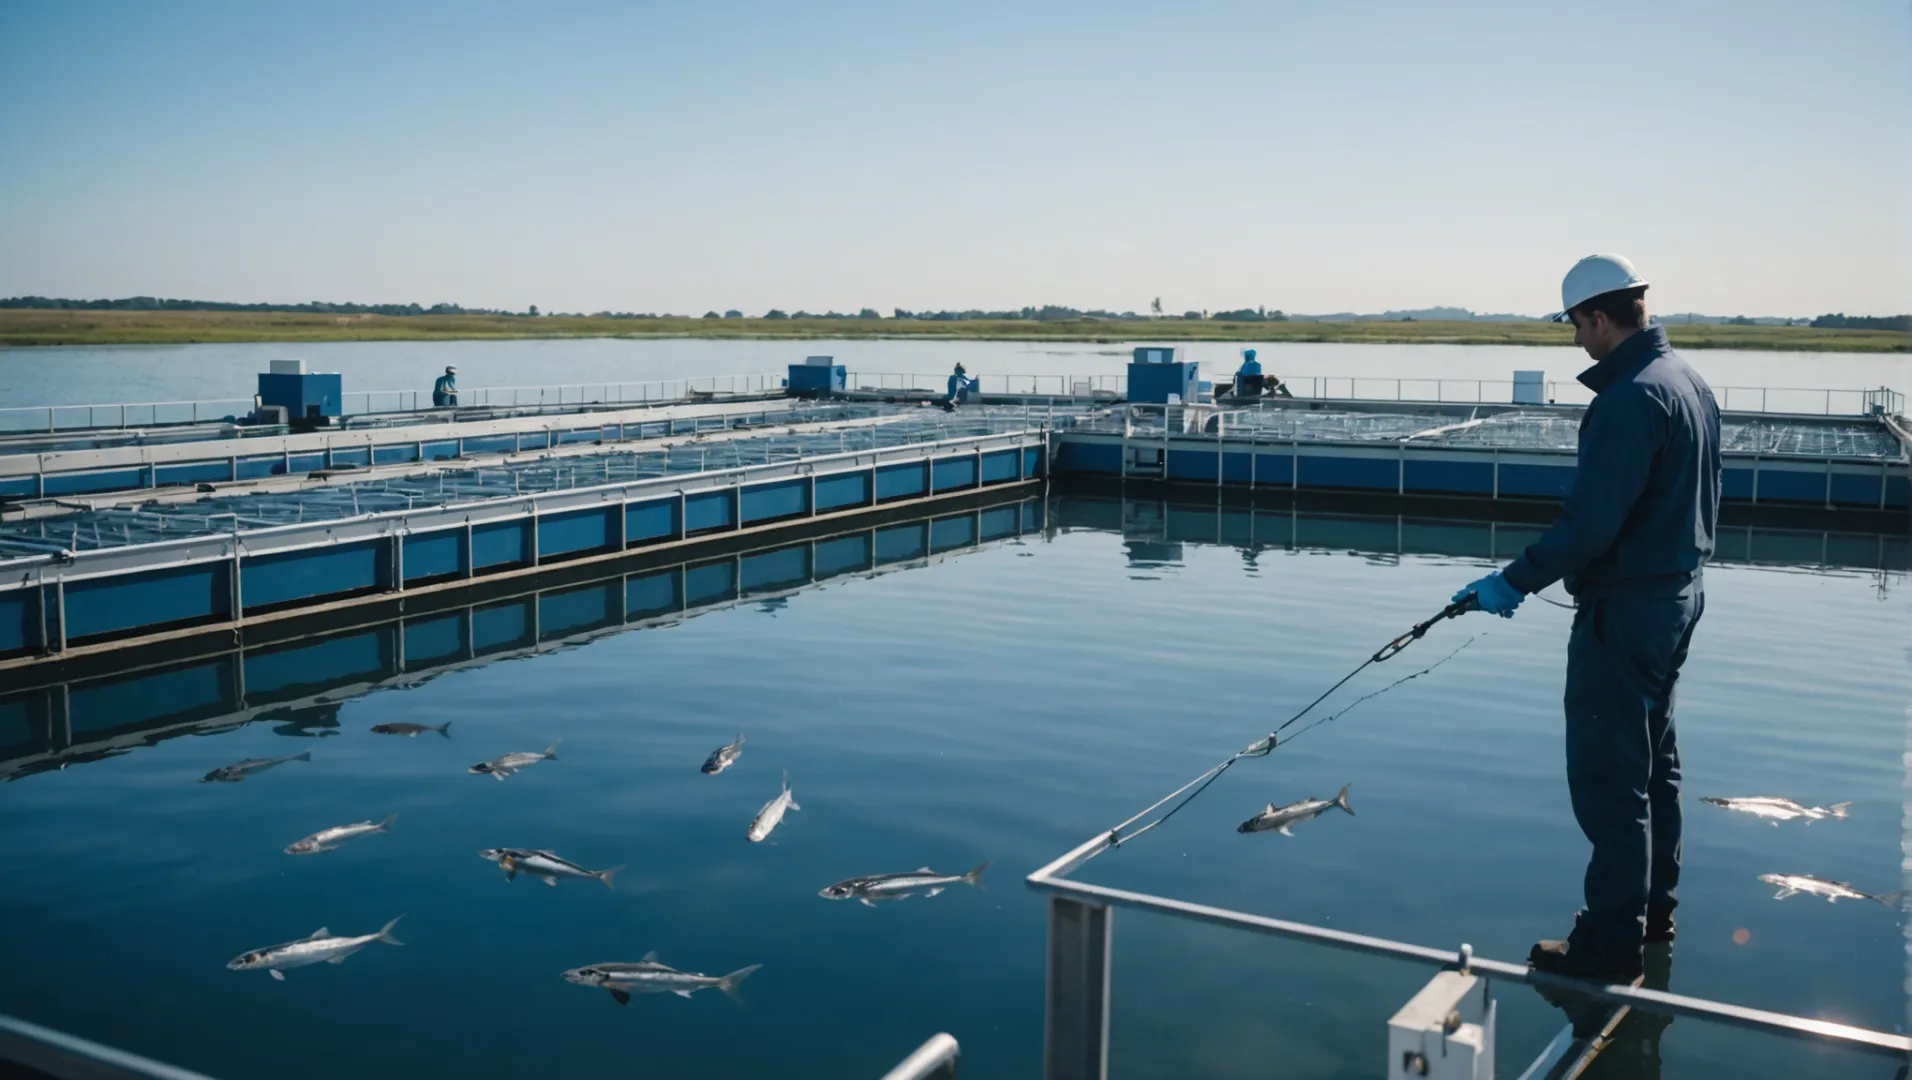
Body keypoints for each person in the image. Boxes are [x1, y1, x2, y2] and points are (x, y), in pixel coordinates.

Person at [1452, 253, 1721, 984]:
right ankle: (1651, 913)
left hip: (1627, 611)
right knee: (1655, 768)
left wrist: (1513, 580)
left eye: (1575, 325)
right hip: (1677, 600)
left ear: (1599, 316)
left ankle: (1609, 945)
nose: (1575, 341)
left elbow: (1590, 526)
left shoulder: (1630, 397)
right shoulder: (1688, 383)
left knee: (1610, 780)